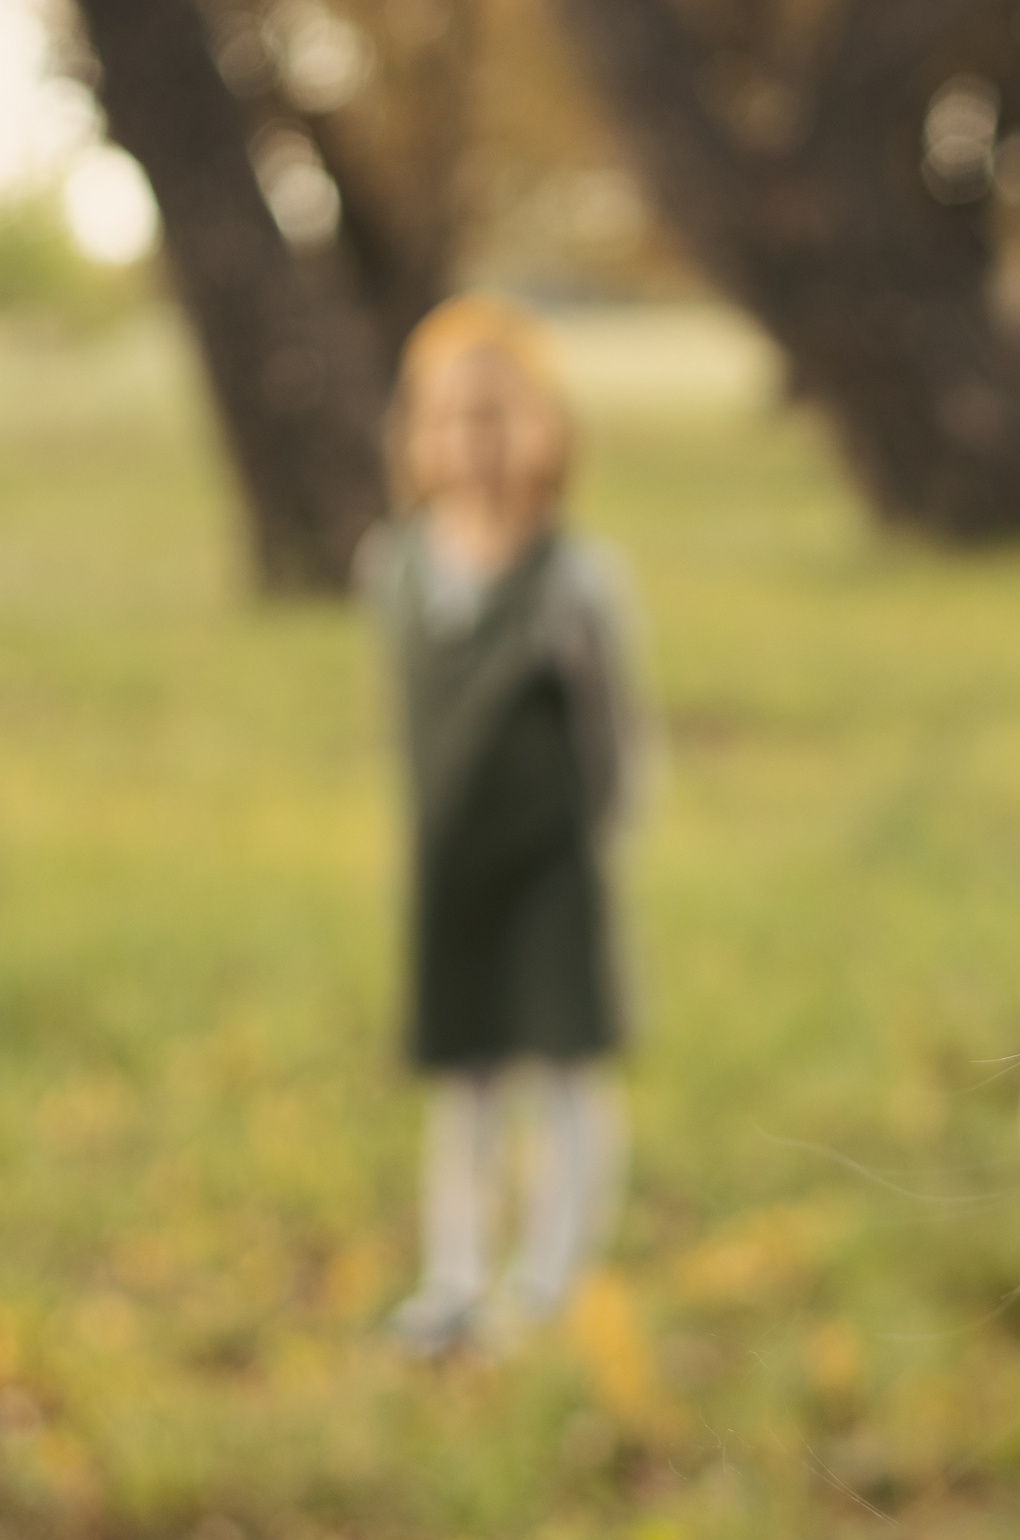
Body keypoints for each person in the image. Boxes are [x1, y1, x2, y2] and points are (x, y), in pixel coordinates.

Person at [358, 294, 641, 1358]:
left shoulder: (574, 581)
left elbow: (615, 737)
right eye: (449, 419)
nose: (473, 446)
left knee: (564, 1072)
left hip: (551, 866)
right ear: (417, 435)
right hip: (451, 867)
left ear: (545, 430)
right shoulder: (394, 570)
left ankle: (549, 1280)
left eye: (497, 418)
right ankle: (455, 1278)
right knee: (463, 1078)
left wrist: (597, 840)